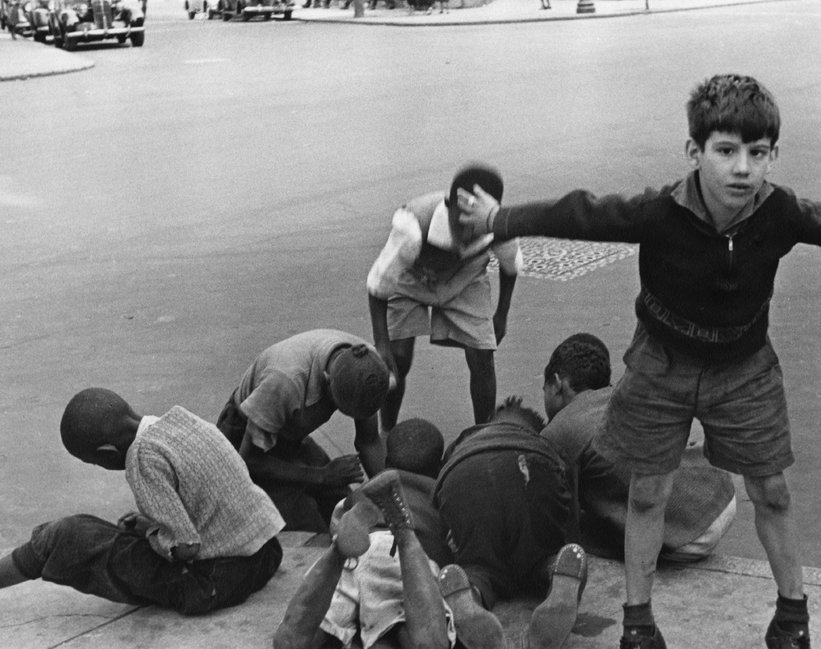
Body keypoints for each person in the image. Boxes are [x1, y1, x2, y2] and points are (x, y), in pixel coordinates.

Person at [456, 74, 821, 649]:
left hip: (744, 367)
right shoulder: (658, 211)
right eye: (726, 151)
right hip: (661, 365)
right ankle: (638, 625)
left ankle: (792, 619)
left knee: (773, 491)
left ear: (772, 157)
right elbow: (580, 214)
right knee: (647, 493)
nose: (742, 168)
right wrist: (497, 219)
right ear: (695, 152)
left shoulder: (778, 211)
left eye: (757, 154)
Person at [0, 388, 284, 615]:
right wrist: (151, 524)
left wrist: (152, 533)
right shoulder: (182, 420)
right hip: (266, 554)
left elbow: (186, 548)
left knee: (68, 536)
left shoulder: (142, 458)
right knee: (112, 528)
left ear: (106, 454)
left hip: (214, 582)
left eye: (95, 463)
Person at [540, 332, 736, 563]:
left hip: (688, 536)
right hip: (721, 495)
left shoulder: (557, 431)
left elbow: (561, 523)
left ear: (556, 384)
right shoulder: (622, 395)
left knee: (575, 531)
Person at [273, 419, 457, 649]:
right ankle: (404, 535)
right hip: (406, 562)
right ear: (440, 469)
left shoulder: (362, 495)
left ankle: (337, 555)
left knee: (291, 644)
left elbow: (336, 520)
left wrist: (342, 538)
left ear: (387, 462)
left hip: (358, 553)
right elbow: (455, 546)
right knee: (425, 642)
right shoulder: (440, 497)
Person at [367, 163, 522, 432]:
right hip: (412, 280)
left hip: (465, 278)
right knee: (397, 358)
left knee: (483, 355)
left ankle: (484, 436)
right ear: (449, 206)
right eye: (459, 224)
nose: (466, 235)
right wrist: (382, 343)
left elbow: (511, 267)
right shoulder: (412, 225)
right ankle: (387, 432)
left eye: (474, 227)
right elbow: (377, 284)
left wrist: (502, 314)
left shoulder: (499, 224)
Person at [434, 397, 588, 649]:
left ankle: (469, 591)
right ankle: (556, 571)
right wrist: (567, 542)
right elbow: (569, 515)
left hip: (464, 473)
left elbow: (443, 502)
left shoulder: (463, 440)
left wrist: (455, 535)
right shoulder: (544, 442)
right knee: (547, 555)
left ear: (489, 423)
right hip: (533, 467)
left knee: (478, 565)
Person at [216, 329, 391, 534]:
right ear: (327, 382)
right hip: (247, 442)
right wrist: (322, 476)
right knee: (310, 533)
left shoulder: (367, 367)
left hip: (290, 436)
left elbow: (369, 442)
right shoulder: (284, 382)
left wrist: (391, 499)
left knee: (344, 510)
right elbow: (248, 461)